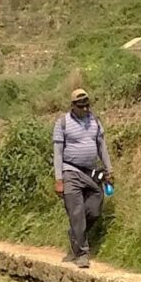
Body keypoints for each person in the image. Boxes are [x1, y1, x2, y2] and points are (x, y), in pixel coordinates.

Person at [51, 89, 112, 267]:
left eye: (87, 105)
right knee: (76, 212)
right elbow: (57, 153)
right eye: (81, 106)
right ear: (73, 106)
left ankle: (76, 233)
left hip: (91, 172)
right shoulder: (62, 123)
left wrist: (109, 169)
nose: (85, 109)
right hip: (70, 171)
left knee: (95, 207)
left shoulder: (95, 121)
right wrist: (59, 179)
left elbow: (102, 146)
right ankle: (82, 253)